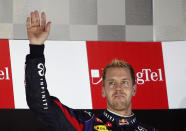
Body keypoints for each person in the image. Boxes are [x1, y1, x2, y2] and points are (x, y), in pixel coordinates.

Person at [25, 10, 157, 131]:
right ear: (103, 90)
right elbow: (42, 106)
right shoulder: (86, 123)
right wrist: (36, 49)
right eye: (111, 83)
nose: (118, 88)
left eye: (124, 82)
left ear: (134, 89)